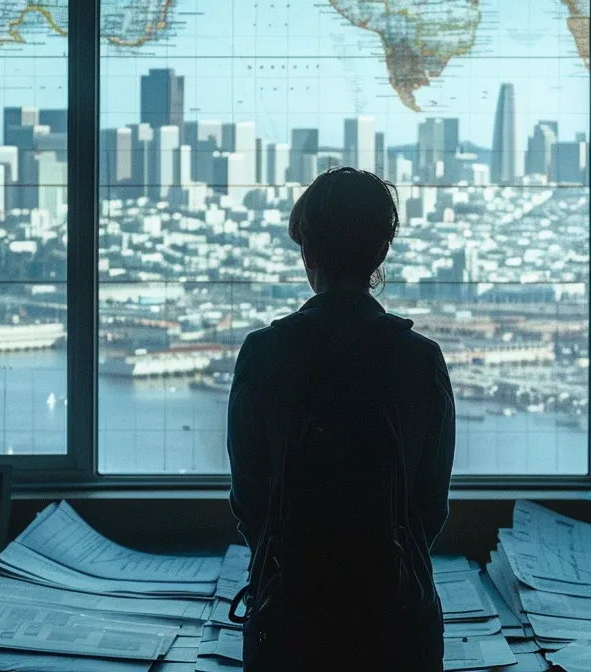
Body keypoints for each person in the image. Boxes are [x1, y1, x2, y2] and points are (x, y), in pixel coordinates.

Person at [226, 167, 456, 671]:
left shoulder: (265, 354)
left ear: (307, 253)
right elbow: (429, 507)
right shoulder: (419, 360)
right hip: (398, 628)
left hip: (288, 624)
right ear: (381, 253)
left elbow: (251, 502)